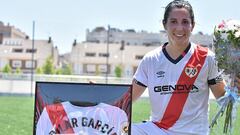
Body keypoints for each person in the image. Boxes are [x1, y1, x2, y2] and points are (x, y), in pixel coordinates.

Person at [131, 0, 240, 135]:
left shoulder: (207, 58)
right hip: (157, 130)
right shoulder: (150, 59)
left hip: (193, 132)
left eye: (185, 22)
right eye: (173, 21)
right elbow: (127, 99)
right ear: (164, 24)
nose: (179, 28)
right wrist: (98, 93)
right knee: (118, 128)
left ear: (192, 25)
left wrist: (235, 89)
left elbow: (223, 98)